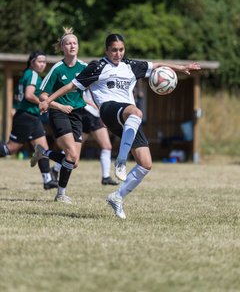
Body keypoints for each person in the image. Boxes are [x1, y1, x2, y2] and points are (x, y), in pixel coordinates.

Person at [38, 33, 201, 219]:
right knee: (136, 111)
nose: (118, 53)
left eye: (121, 50)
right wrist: (48, 100)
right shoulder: (97, 66)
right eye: (114, 50)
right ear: (106, 50)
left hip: (128, 121)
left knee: (145, 164)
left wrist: (182, 68)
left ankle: (117, 197)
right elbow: (71, 86)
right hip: (109, 110)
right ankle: (121, 160)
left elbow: (155, 65)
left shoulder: (131, 66)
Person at [30, 27, 87, 204]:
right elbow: (42, 96)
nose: (72, 46)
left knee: (74, 161)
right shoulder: (57, 69)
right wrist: (60, 106)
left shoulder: (85, 67)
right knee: (70, 154)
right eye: (68, 43)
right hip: (58, 114)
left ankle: (43, 152)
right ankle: (61, 194)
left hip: (77, 115)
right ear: (62, 47)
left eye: (75, 43)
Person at [0, 50, 58, 190]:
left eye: (44, 62)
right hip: (26, 117)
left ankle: (48, 180)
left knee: (42, 149)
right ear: (32, 63)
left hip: (31, 117)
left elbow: (18, 96)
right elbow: (29, 95)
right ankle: (48, 179)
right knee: (10, 149)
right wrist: (43, 102)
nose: (42, 64)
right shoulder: (32, 74)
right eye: (40, 61)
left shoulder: (26, 74)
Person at [51, 89, 118, 186]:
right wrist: (92, 104)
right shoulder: (93, 75)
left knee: (106, 146)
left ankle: (106, 177)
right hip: (88, 113)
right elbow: (80, 94)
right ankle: (55, 169)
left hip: (96, 114)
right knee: (73, 148)